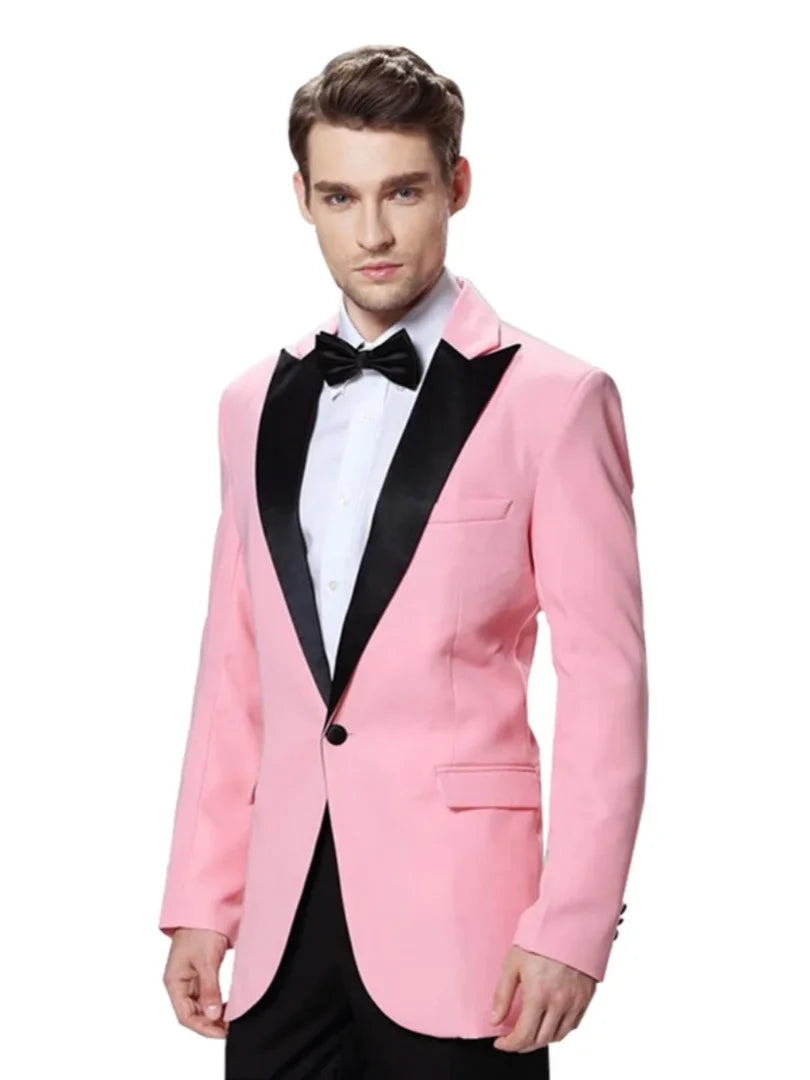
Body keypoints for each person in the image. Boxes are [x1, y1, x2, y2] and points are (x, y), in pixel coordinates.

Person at [158, 43, 648, 1079]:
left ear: (457, 185)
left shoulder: (556, 400)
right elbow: (235, 665)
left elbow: (605, 679)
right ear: (302, 198)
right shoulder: (252, 403)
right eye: (341, 196)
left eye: (404, 192)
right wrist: (202, 895)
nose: (372, 233)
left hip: (466, 925)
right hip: (283, 921)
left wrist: (572, 923)